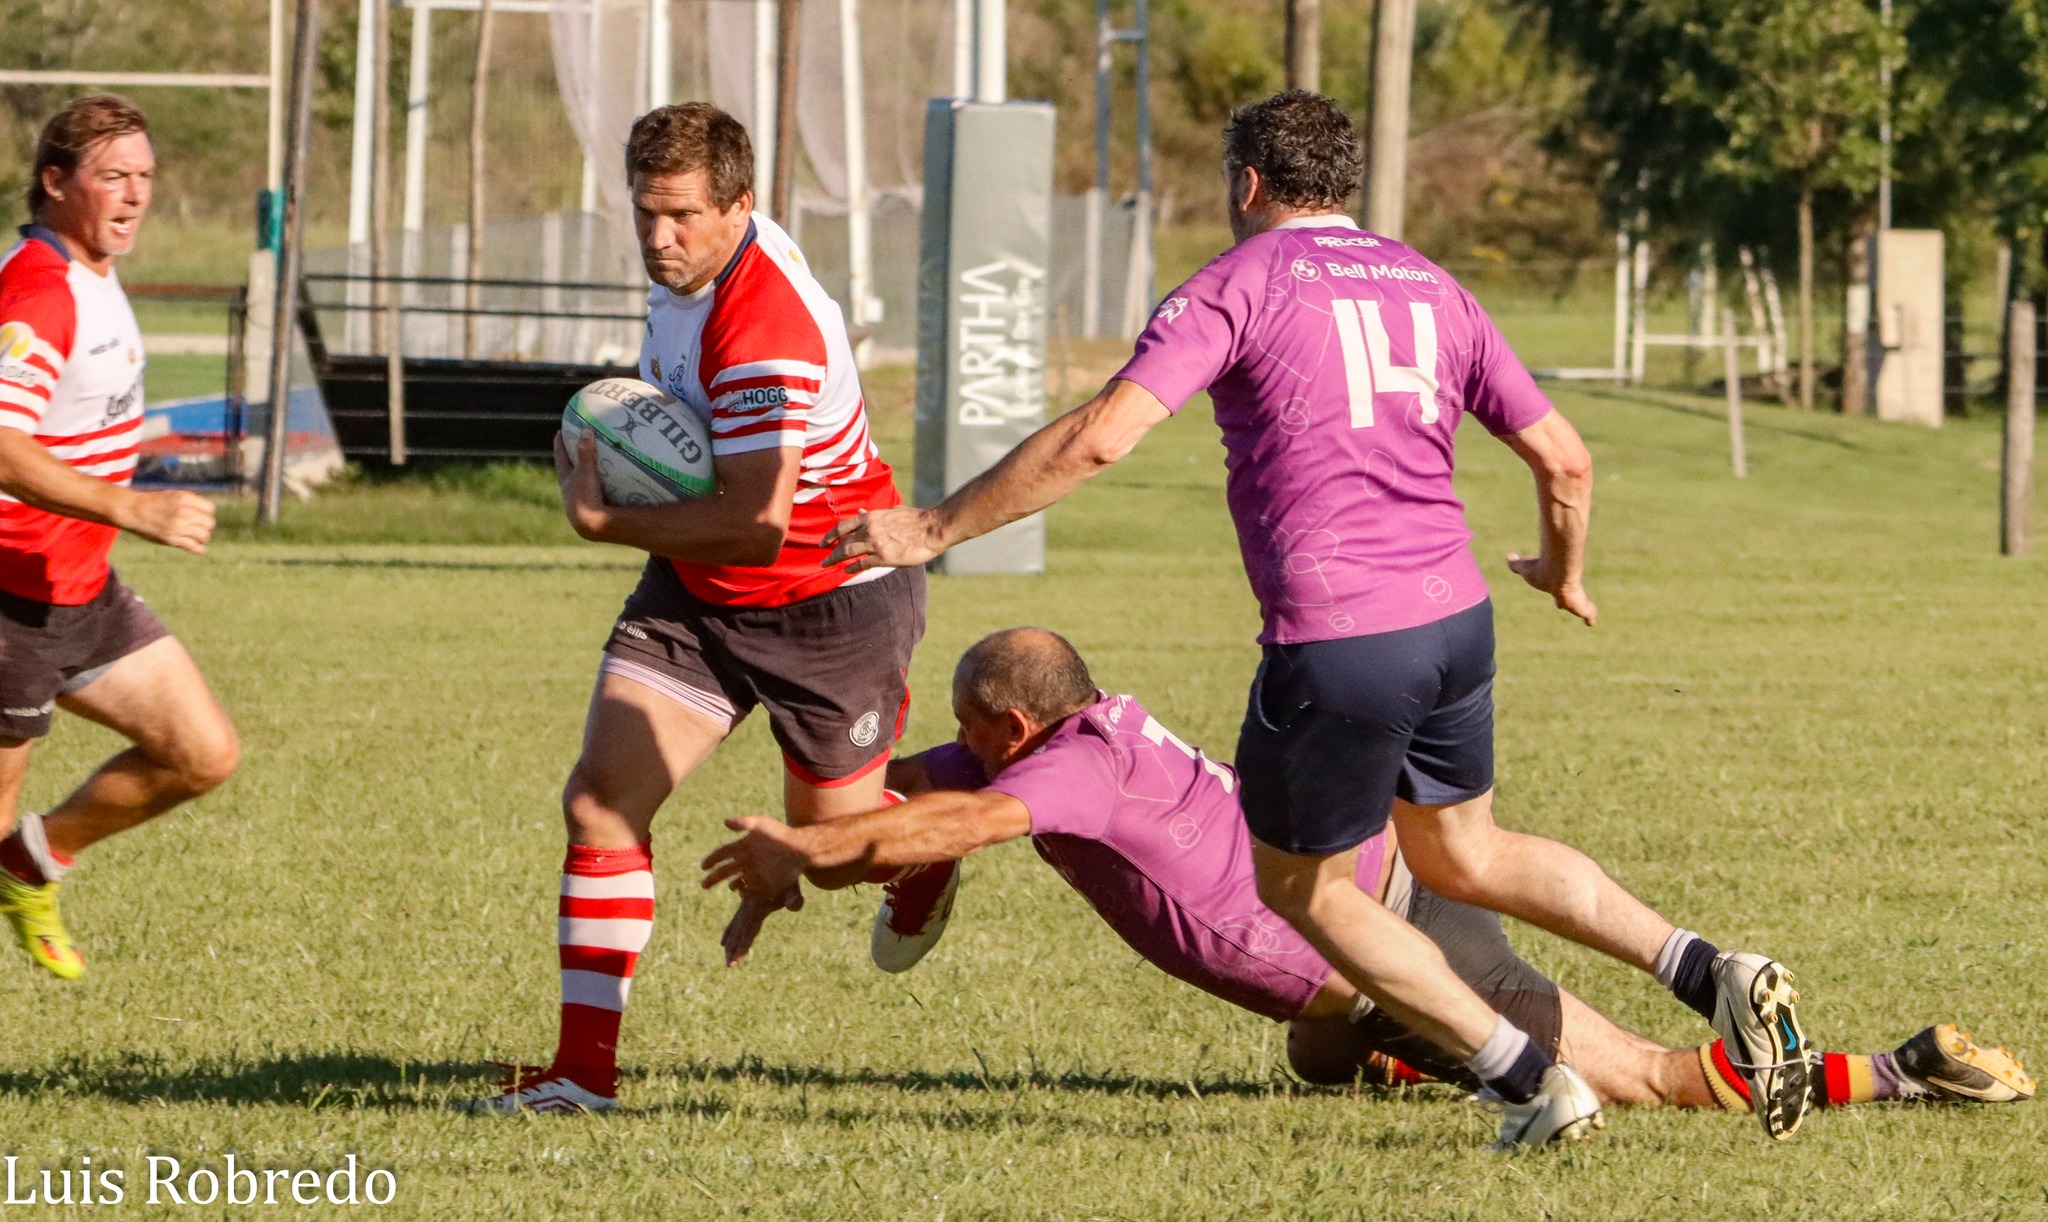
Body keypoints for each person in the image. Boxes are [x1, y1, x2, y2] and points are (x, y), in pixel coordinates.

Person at [821, 90, 1815, 1141]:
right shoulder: (1431, 283)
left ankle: (1527, 1081)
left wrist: (933, 526)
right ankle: (1706, 967)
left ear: (1247, 182)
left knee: (1302, 890)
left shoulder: (1237, 283)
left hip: (1340, 641)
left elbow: (1102, 437)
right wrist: (1560, 573)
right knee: (1464, 853)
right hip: (1457, 621)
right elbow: (1565, 460)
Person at [702, 630, 2035, 1145]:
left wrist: (811, 854)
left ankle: (1903, 1068)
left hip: (1398, 929)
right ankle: (1432, 1045)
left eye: (966, 724)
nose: (959, 742)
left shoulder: (1065, 774)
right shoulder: (1082, 730)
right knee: (1315, 1053)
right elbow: (895, 790)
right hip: (1358, 918)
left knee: (1650, 1077)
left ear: (1008, 721)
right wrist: (813, 823)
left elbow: (969, 819)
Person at [465, 103, 945, 1115]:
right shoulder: (688, 269)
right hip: (698, 590)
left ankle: (926, 842)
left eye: (681, 215)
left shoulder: (764, 325)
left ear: (739, 205)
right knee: (601, 800)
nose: (658, 237)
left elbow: (756, 525)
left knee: (831, 853)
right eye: (644, 212)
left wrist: (602, 520)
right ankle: (582, 1074)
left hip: (830, 600)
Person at [0, 95, 239, 981]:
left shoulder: (92, 272)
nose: (135, 194)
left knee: (202, 753)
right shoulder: (40, 289)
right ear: (57, 182)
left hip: (80, 588)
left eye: (144, 176)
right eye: (113, 176)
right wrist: (131, 508)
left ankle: (31, 863)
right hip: (11, 597)